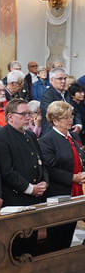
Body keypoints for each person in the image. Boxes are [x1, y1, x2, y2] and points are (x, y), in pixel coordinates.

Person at [0, 98, 49, 258]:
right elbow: (7, 171)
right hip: (15, 200)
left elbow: (40, 162)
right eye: (23, 114)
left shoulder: (30, 135)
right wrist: (30, 188)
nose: (28, 117)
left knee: (32, 244)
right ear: (10, 117)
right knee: (16, 247)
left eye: (29, 114)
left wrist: (44, 182)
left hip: (34, 198)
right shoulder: (0, 138)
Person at [39, 101, 85, 252]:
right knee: (59, 236)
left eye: (70, 116)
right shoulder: (47, 140)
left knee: (70, 231)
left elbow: (79, 157)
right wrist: (72, 177)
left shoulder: (72, 136)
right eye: (66, 117)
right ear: (55, 120)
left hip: (78, 189)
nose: (70, 120)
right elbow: (50, 168)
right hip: (60, 192)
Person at [40, 67, 82, 136]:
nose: (63, 81)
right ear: (51, 80)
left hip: (69, 132)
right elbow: (55, 113)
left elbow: (76, 111)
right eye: (60, 79)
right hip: (53, 134)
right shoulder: (47, 95)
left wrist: (78, 125)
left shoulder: (67, 93)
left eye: (65, 78)